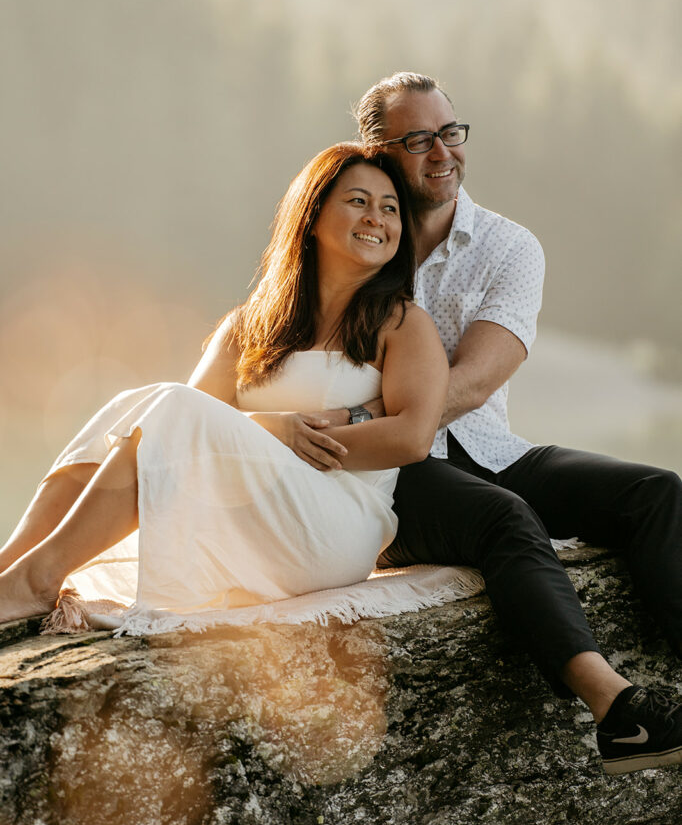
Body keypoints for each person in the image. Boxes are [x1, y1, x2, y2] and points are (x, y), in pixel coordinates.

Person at [328, 71, 682, 777]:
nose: (442, 152)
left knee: (657, 490)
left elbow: (480, 378)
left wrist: (387, 414)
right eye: (418, 139)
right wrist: (369, 432)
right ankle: (618, 716)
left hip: (486, 446)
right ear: (377, 151)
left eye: (451, 133)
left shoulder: (509, 247)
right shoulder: (359, 231)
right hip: (384, 467)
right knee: (507, 517)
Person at [0, 142, 448, 633]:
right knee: (131, 407)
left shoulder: (403, 324)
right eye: (358, 201)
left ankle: (41, 577)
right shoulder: (249, 326)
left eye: (390, 209)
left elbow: (411, 437)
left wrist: (280, 439)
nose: (377, 219)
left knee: (165, 405)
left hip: (331, 524)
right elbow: (179, 433)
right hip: (246, 509)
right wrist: (266, 429)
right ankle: (12, 566)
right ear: (313, 216)